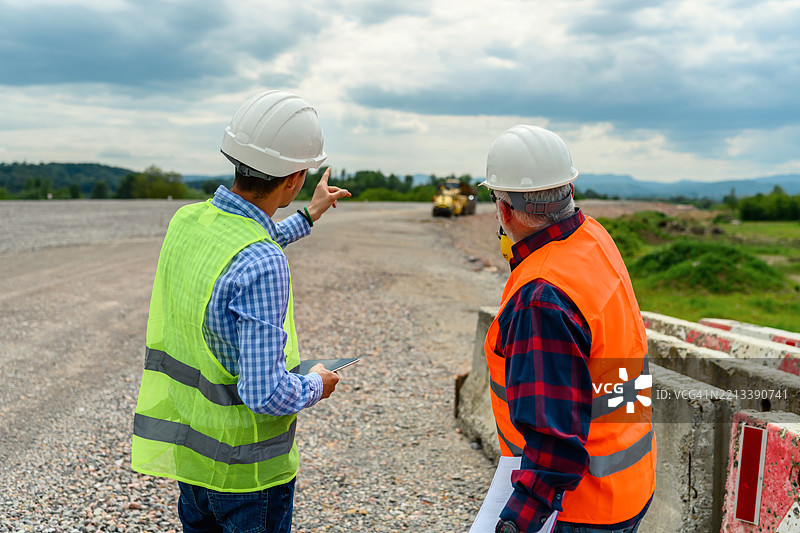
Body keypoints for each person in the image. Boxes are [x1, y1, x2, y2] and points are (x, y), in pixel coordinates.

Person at [131, 90, 350, 533]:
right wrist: (316, 384)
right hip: (248, 478)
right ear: (294, 177)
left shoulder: (189, 221)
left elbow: (246, 253)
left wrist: (310, 214)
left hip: (194, 463)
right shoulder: (262, 261)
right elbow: (265, 393)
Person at [482, 125, 656, 533]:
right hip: (630, 485)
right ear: (569, 190)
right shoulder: (594, 238)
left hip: (581, 509)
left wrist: (514, 523)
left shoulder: (542, 297)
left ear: (505, 211)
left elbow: (553, 447)